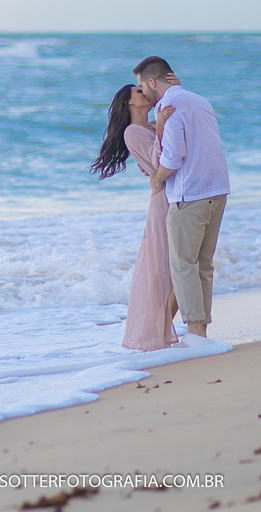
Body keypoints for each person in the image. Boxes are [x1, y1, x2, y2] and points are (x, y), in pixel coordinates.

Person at [133, 56, 230, 339]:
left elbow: (174, 156)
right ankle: (201, 331)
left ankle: (197, 333)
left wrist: (157, 178)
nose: (142, 92)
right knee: (203, 265)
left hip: (190, 195)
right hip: (217, 190)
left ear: (152, 82)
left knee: (183, 266)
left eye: (142, 85)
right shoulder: (199, 100)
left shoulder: (169, 107)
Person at [90, 83, 180, 351]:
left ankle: (162, 329)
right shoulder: (133, 132)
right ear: (130, 103)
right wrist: (162, 129)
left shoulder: (153, 124)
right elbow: (159, 165)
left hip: (171, 195)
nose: (145, 93)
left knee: (175, 271)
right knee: (166, 272)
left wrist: (172, 86)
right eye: (138, 92)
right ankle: (157, 333)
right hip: (162, 204)